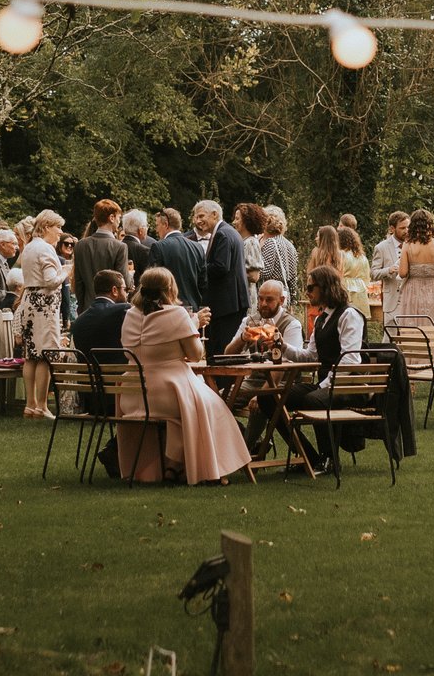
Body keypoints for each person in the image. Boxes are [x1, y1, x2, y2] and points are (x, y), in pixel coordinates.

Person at [113, 266, 252, 484]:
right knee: (214, 406)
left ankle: (173, 467)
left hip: (132, 394)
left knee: (183, 413)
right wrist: (192, 325)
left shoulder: (130, 315)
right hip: (169, 392)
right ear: (170, 289)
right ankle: (208, 470)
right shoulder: (176, 314)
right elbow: (195, 355)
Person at [254, 264, 369, 472]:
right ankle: (308, 457)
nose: (306, 292)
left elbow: (350, 360)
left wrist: (324, 385)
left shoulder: (349, 315)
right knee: (268, 397)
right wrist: (283, 346)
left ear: (324, 287)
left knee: (314, 399)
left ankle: (329, 459)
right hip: (326, 384)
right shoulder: (321, 319)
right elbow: (310, 355)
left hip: (349, 385)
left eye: (310, 288)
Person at [18, 211, 71, 418]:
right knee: (46, 355)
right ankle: (41, 406)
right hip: (45, 306)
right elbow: (50, 280)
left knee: (30, 355)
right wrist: (66, 271)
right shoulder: (46, 248)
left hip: (30, 302)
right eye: (58, 227)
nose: (60, 232)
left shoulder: (29, 247)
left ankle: (30, 404)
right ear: (47, 226)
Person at [197, 200, 251, 354]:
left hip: (226, 306)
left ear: (214, 214)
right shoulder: (229, 232)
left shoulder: (222, 234)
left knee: (221, 352)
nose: (198, 221)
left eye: (201, 216)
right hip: (232, 303)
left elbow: (221, 267)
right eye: (196, 217)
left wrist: (198, 267)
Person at [392, 209, 434, 333]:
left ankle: (415, 345)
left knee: (414, 325)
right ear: (430, 225)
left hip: (413, 291)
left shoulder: (407, 245)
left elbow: (402, 273)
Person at [72, 199, 129, 312]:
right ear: (111, 218)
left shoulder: (80, 245)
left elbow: (78, 282)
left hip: (88, 308)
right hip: (112, 309)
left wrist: (81, 308)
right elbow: (123, 281)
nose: (119, 221)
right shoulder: (119, 246)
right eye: (119, 217)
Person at [226, 279, 303, 354]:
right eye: (260, 299)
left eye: (269, 300)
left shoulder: (291, 324)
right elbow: (227, 353)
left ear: (281, 300)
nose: (263, 304)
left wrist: (279, 345)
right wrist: (242, 338)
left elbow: (293, 359)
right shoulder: (249, 321)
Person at [373, 211, 409, 321]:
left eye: (408, 227)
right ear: (392, 229)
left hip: (410, 299)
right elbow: (373, 273)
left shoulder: (414, 245)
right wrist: (389, 270)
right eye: (402, 228)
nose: (406, 231)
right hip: (392, 301)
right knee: (390, 331)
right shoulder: (381, 247)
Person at [260, 206, 300, 301]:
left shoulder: (270, 242)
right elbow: (293, 276)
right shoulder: (289, 245)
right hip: (284, 294)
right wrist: (293, 300)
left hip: (270, 294)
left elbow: (265, 272)